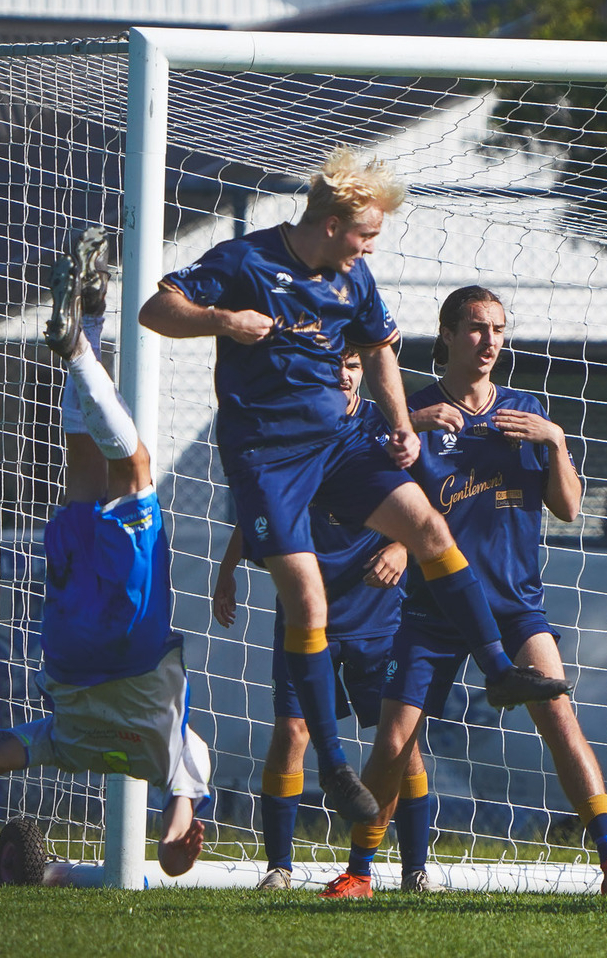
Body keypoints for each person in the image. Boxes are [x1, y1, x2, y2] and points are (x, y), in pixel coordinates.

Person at [140, 148, 568, 827]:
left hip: (339, 445)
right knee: (306, 603)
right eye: (366, 233)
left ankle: (497, 667)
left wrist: (400, 426)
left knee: (428, 525)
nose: (372, 245)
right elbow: (157, 310)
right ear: (335, 223)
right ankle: (337, 769)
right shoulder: (245, 261)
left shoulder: (355, 278)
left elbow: (378, 354)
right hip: (268, 460)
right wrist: (223, 321)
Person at [0, 227, 208, 876]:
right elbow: (1, 755)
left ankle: (77, 346)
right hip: (62, 640)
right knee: (84, 464)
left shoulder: (174, 749)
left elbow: (183, 807)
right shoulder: (65, 743)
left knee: (135, 468)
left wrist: (178, 844)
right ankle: (89, 314)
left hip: (130, 639)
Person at [321, 286, 607, 900]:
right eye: (475, 328)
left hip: (516, 606)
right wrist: (407, 431)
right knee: (393, 740)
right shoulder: (410, 413)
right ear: (446, 336)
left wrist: (556, 442)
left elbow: (569, 509)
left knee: (561, 722)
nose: (490, 340)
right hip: (433, 610)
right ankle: (360, 871)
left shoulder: (526, 413)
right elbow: (351, 473)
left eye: (498, 328)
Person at [210, 347, 432, 891]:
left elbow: (427, 507)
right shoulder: (292, 426)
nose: (345, 373)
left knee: (398, 743)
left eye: (355, 364)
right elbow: (264, 503)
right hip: (306, 612)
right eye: (336, 364)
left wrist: (402, 549)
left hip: (377, 614)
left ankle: (415, 870)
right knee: (292, 731)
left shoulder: (389, 430)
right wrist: (229, 567)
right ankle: (279, 869)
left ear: (368, 370)